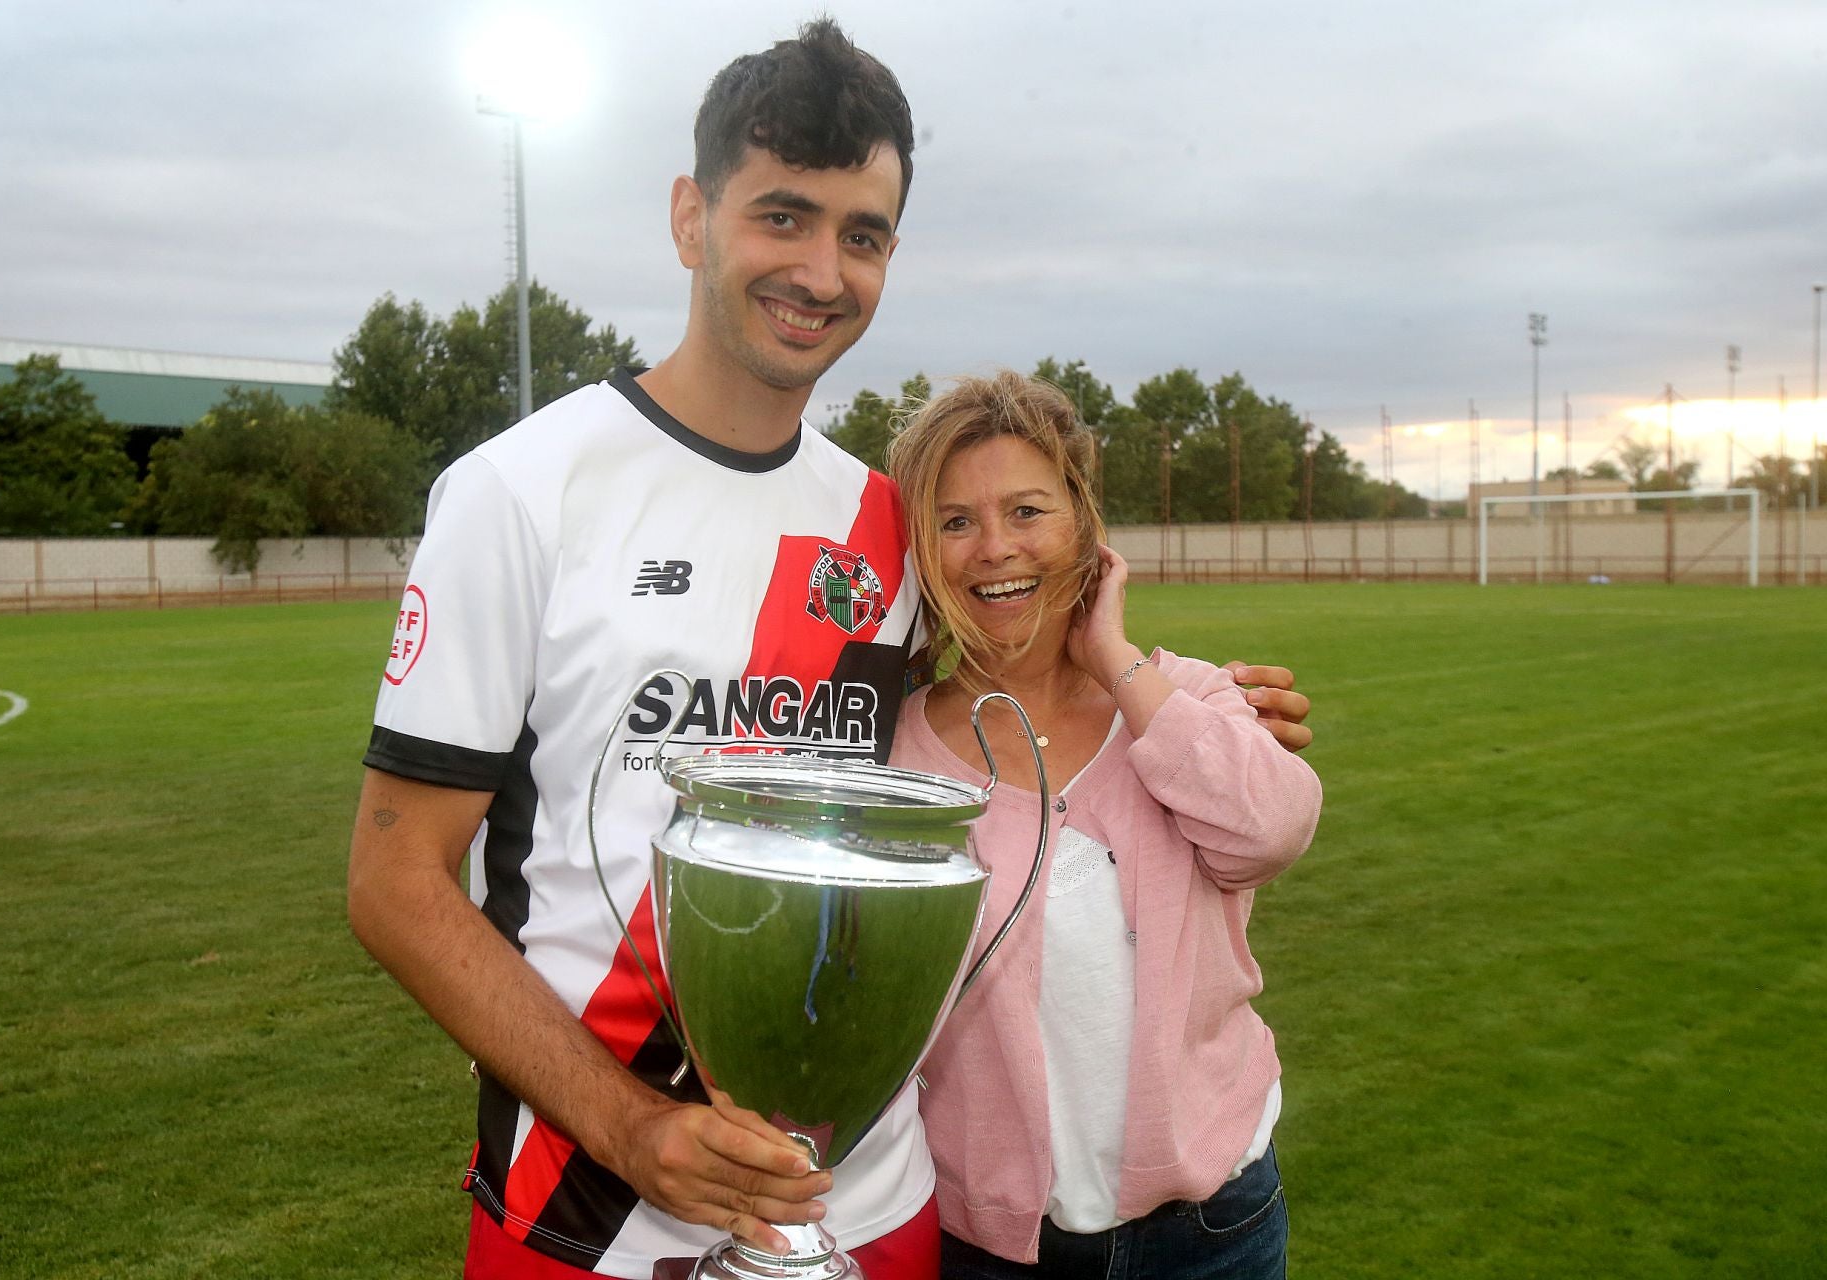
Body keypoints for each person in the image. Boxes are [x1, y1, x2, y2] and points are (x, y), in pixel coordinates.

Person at [346, 20, 942, 1279]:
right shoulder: (521, 491)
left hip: (869, 1205)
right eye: (783, 216)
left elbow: (1014, 718)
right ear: (691, 217)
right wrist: (634, 1127)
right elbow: (396, 882)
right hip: (589, 1208)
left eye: (863, 234)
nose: (822, 271)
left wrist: (1182, 693)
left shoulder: (885, 525)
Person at [885, 371, 1323, 1279]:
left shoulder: (1185, 697)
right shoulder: (896, 755)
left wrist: (1114, 659)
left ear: (1084, 523)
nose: (994, 549)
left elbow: (1272, 831)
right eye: (955, 521)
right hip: (991, 1248)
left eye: (1028, 510)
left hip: (1216, 1233)